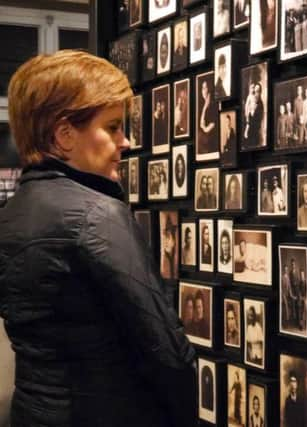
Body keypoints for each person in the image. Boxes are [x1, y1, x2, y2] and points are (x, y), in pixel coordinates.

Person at [0, 50, 198, 427]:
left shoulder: (8, 217)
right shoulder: (97, 214)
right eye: (112, 127)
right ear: (64, 135)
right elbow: (169, 352)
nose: (125, 142)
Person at [197, 79, 217, 157]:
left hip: (210, 139)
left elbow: (213, 123)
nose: (203, 90)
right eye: (202, 88)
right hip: (205, 139)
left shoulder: (212, 104)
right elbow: (201, 123)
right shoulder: (204, 104)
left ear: (209, 90)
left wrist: (204, 129)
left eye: (205, 88)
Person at [245, 83, 264, 148]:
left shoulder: (260, 105)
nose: (256, 93)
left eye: (257, 91)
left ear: (260, 92)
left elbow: (259, 123)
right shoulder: (251, 101)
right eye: (255, 91)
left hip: (255, 135)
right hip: (249, 135)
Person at [161, 214, 177, 279]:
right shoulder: (164, 257)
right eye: (165, 237)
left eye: (168, 237)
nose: (166, 241)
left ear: (173, 241)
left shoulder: (175, 257)